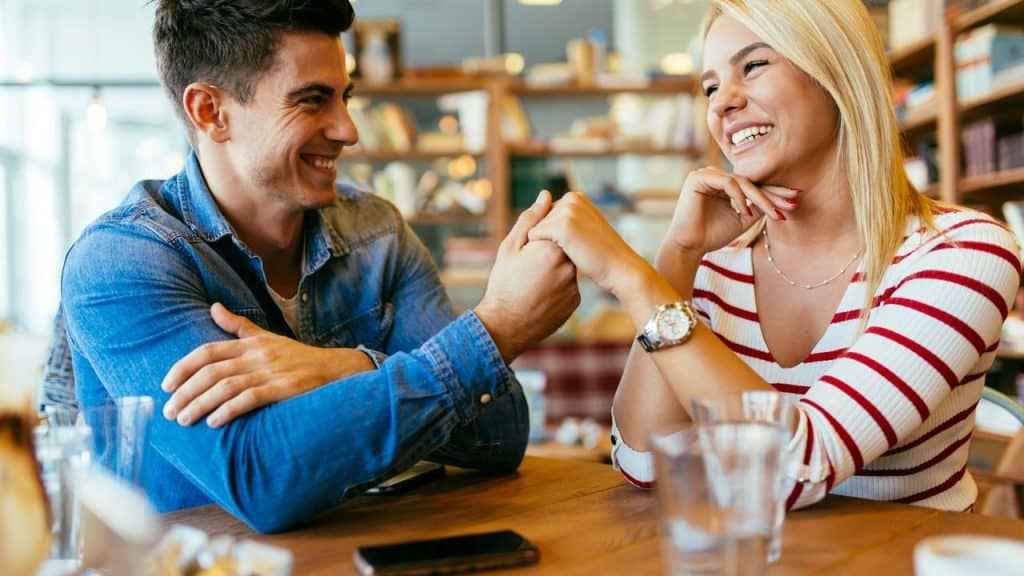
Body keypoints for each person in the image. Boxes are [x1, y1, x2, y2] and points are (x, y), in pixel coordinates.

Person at [58, 0, 579, 533]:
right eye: (312, 101)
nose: (348, 130)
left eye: (345, 98)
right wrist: (496, 330)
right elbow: (260, 476)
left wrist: (341, 365)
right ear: (210, 112)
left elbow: (500, 430)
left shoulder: (377, 234)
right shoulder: (121, 262)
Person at [527, 0, 1021, 511]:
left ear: (837, 72)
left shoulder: (962, 251)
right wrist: (679, 253)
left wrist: (627, 275)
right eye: (711, 87)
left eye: (754, 66)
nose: (721, 104)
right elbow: (645, 464)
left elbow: (792, 469)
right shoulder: (715, 265)